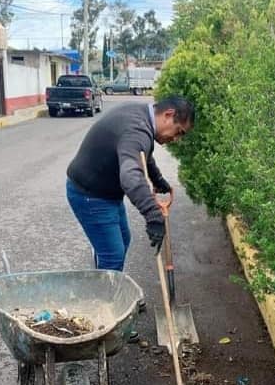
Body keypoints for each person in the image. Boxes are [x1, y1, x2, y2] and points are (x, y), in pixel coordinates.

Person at [66, 95, 195, 272]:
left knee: (123, 241)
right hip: (90, 195)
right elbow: (130, 176)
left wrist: (157, 179)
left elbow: (143, 155)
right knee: (113, 255)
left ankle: (103, 278)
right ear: (168, 114)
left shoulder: (141, 117)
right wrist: (153, 215)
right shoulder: (137, 130)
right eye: (179, 131)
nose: (176, 139)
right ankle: (105, 297)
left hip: (105, 193)